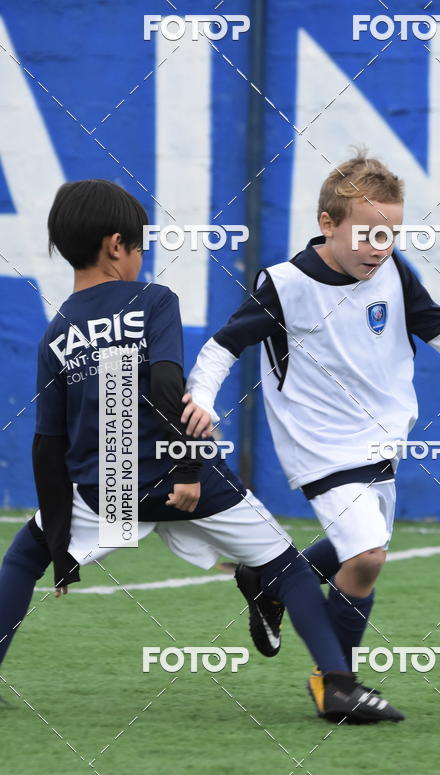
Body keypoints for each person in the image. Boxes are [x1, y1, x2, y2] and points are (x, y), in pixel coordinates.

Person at [0, 178, 403, 724]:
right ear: (117, 246)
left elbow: (48, 445)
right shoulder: (153, 301)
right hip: (188, 482)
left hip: (106, 485)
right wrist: (187, 469)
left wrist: (60, 542)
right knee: (289, 570)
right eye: (141, 245)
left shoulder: (56, 332)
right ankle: (336, 686)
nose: (143, 256)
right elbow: (171, 388)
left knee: (23, 558)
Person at [181, 150, 440, 708]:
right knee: (368, 556)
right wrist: (202, 401)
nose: (381, 247)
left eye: (392, 234)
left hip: (382, 442)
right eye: (368, 233)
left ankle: (270, 582)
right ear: (327, 224)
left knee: (360, 548)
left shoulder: (397, 273)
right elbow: (220, 347)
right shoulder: (285, 285)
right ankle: (336, 684)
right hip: (318, 445)